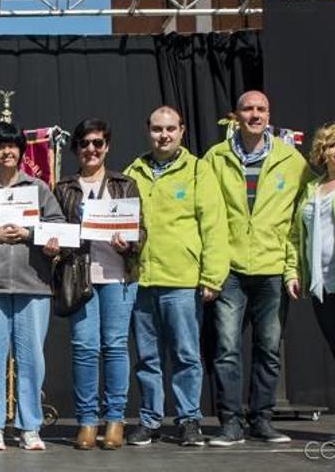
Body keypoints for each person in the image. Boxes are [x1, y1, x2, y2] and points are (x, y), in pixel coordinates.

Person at [204, 91, 313, 447]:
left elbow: (303, 217)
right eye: (248, 109)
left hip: (271, 267)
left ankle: (262, 420)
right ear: (235, 115)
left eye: (261, 109)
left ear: (269, 114)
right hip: (229, 268)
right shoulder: (215, 158)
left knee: (268, 347)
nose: (255, 114)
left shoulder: (291, 159)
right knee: (226, 348)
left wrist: (291, 268)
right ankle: (231, 423)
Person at [124, 106, 229, 447]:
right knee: (147, 357)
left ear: (182, 130)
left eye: (170, 128)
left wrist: (213, 275)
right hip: (141, 280)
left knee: (186, 355)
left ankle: (189, 420)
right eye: (157, 129)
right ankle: (151, 420)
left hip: (182, 280)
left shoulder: (199, 171)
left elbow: (214, 226)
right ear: (148, 130)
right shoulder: (133, 172)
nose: (163, 135)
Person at [0, 121, 64, 451]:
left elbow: (58, 228)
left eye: (13, 146)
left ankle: (30, 426)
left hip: (33, 285)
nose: (7, 151)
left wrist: (31, 235)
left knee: (32, 358)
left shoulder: (39, 189)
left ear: (21, 151)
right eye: (1, 146)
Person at [53, 118, 139, 450]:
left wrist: (128, 243)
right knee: (85, 349)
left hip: (118, 276)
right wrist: (53, 244)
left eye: (98, 143)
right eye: (85, 143)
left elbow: (140, 230)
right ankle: (88, 421)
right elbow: (53, 229)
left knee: (115, 347)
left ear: (107, 147)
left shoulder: (125, 184)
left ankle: (115, 420)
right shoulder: (64, 188)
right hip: (80, 277)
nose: (91, 149)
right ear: (76, 148)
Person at [287, 123, 335, 368]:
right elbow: (296, 235)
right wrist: (292, 271)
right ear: (322, 151)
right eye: (331, 145)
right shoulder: (311, 189)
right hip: (322, 283)